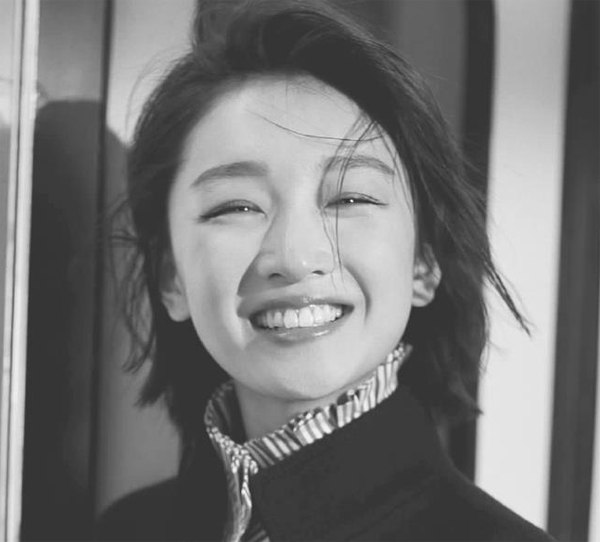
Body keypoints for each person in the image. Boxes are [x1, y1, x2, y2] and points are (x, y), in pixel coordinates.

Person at [97, 1, 554, 540]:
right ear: (171, 277)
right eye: (237, 206)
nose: (295, 257)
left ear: (424, 261)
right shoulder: (126, 530)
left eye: (350, 198)